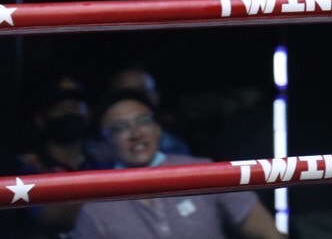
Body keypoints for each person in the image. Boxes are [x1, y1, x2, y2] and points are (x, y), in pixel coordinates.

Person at [70, 88, 284, 239]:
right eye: (120, 128)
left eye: (143, 121)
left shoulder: (202, 172)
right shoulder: (95, 208)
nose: (135, 133)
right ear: (104, 142)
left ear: (158, 128)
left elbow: (268, 232)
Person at [8, 75, 107, 239]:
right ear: (41, 119)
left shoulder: (102, 161)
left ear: (89, 114)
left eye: (76, 106)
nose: (69, 112)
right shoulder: (28, 167)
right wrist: (109, 196)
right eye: (60, 108)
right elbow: (52, 217)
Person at [99, 65, 191, 157]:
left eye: (143, 121)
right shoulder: (98, 157)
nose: (136, 134)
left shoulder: (176, 149)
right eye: (124, 94)